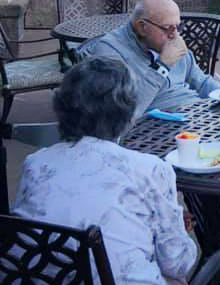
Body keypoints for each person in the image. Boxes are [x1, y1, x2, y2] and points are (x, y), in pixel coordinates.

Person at [13, 56, 199, 285]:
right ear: (127, 111)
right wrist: (180, 229)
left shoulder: (36, 164)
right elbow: (178, 264)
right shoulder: (150, 170)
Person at [80, 0, 220, 118]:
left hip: (195, 115)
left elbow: (202, 82)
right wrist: (162, 66)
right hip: (153, 130)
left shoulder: (170, 40)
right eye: (168, 28)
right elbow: (122, 114)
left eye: (178, 27)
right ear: (142, 27)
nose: (175, 35)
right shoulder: (110, 52)